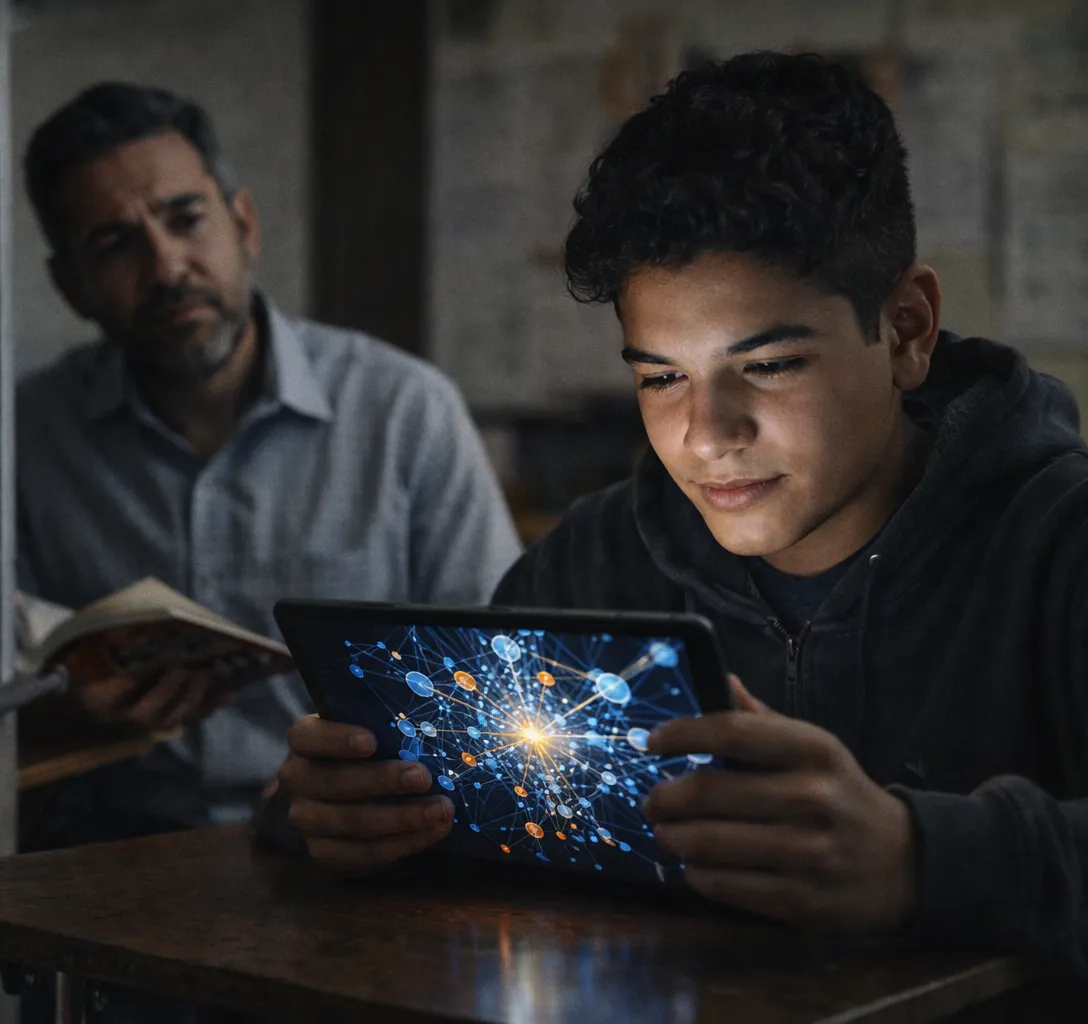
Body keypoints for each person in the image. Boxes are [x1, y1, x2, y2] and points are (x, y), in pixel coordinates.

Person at [272, 52, 1088, 977]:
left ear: (905, 329)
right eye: (661, 376)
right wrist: (328, 810)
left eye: (772, 365)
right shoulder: (593, 561)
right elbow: (425, 801)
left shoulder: (1059, 543)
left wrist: (921, 859)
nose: (707, 434)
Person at [16, 81, 522, 849]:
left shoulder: (405, 410)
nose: (167, 267)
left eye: (187, 220)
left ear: (243, 224)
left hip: (358, 845)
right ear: (70, 287)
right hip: (106, 849)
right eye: (114, 246)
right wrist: (62, 712)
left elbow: (494, 674)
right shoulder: (30, 431)